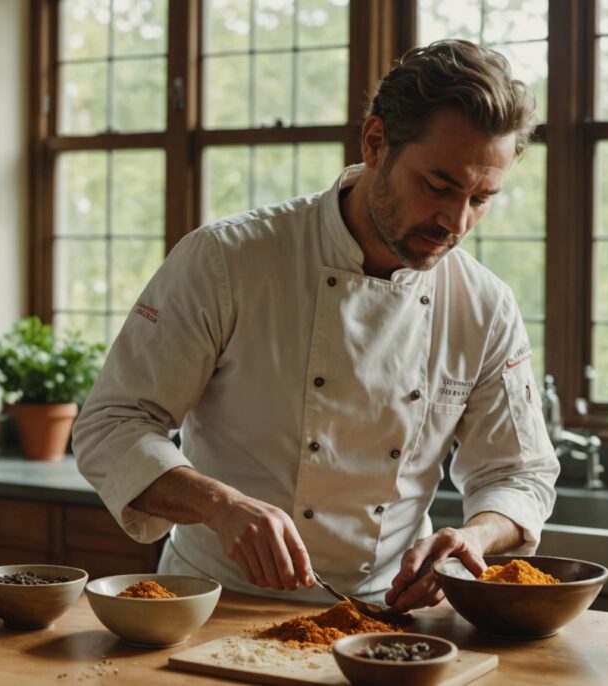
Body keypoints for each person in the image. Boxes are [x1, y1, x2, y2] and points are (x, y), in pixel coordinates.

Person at [73, 39, 559, 611]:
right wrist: (219, 505)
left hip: (386, 615)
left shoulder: (483, 305)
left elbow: (520, 473)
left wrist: (473, 538)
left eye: (482, 198)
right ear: (376, 142)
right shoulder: (227, 260)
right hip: (212, 602)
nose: (456, 221)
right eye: (438, 186)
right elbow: (111, 424)